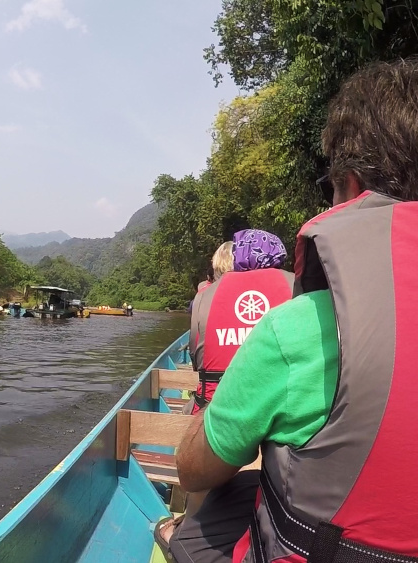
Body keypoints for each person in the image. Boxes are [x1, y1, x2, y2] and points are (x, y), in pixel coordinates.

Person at [172, 58, 418, 562]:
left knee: (195, 526)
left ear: (349, 186)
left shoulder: (300, 325)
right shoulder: (287, 294)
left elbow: (193, 469)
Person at [187, 230, 294, 414]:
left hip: (213, 409)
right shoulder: (294, 287)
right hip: (281, 408)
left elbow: (197, 360)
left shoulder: (204, 296)